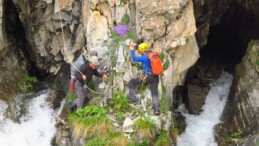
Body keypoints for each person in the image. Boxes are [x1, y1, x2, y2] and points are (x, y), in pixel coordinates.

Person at [128, 41, 160, 115]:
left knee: (132, 82)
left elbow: (134, 58)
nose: (139, 51)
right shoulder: (152, 53)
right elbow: (143, 48)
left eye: (140, 50)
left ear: (142, 51)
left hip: (147, 76)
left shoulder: (143, 58)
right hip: (155, 76)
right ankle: (157, 109)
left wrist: (132, 49)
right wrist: (135, 45)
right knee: (154, 93)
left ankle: (133, 99)